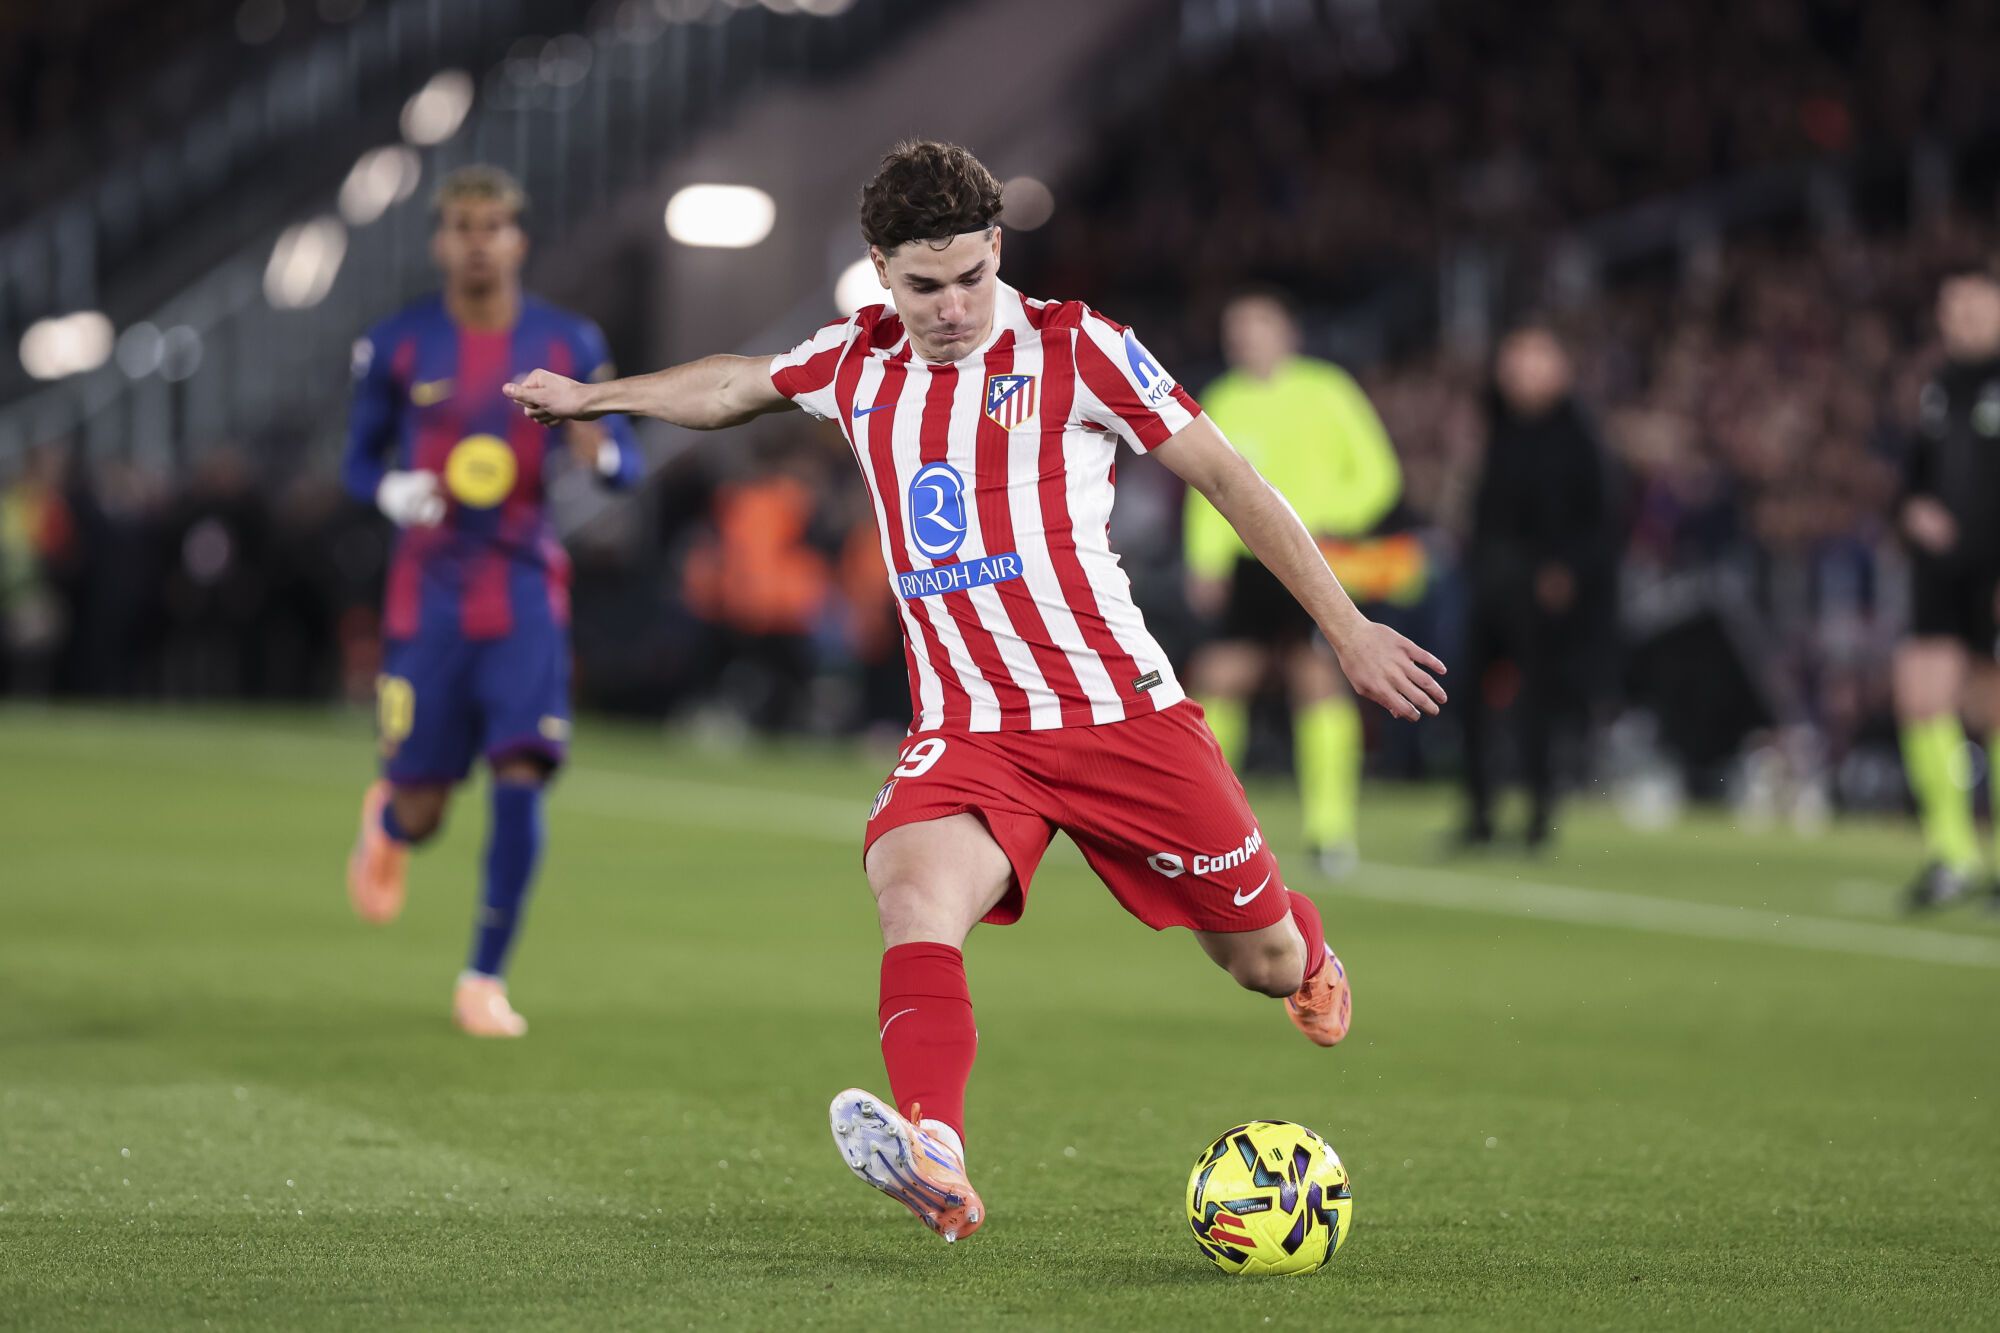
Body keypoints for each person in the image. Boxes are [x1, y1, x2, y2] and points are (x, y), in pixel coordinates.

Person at [503, 141, 1444, 1242]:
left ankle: (1309, 953)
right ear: (880, 270)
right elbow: (730, 385)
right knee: (911, 898)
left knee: (1260, 960)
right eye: (923, 286)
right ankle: (935, 1152)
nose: (951, 308)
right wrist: (595, 398)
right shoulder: (854, 360)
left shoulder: (1079, 347)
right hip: (970, 732)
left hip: (1120, 716)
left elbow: (1229, 479)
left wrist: (1346, 628)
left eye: (970, 277)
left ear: (997, 247)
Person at [341, 165, 642, 1037]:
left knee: (521, 774)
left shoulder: (568, 341)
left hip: (523, 591)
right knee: (424, 811)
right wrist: (390, 489)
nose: (478, 243)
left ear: (519, 239)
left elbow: (624, 460)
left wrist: (600, 452)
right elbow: (356, 459)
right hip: (426, 599)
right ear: (441, 242)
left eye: (493, 226)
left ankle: (483, 977)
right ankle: (389, 819)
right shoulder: (396, 343)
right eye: (463, 227)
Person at [1184, 288, 1403, 878]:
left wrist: (1329, 517)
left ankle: (1330, 832)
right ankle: (1214, 827)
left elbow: (1378, 475)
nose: (1246, 339)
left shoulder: (1326, 390)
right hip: (1247, 563)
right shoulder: (1223, 397)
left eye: (1258, 326)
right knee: (1220, 676)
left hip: (1313, 556)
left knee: (1316, 677)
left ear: (1288, 332)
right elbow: (1205, 485)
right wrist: (1205, 559)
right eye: (1237, 329)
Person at [1457, 326, 1611, 850]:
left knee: (1538, 705)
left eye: (1533, 357)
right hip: (1491, 578)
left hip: (1541, 586)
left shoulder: (1578, 435)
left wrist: (1566, 570)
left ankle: (1540, 814)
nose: (1519, 368)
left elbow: (1598, 519)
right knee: (1470, 697)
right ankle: (1479, 814)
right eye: (1514, 357)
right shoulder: (1500, 423)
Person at [1896, 269, 2000, 911]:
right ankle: (1954, 854)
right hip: (1939, 571)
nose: (1962, 317)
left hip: (1993, 568)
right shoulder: (1937, 386)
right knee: (1919, 695)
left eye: (1974, 305)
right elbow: (1913, 475)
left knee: (1992, 706)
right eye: (1951, 306)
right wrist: (1912, 509)